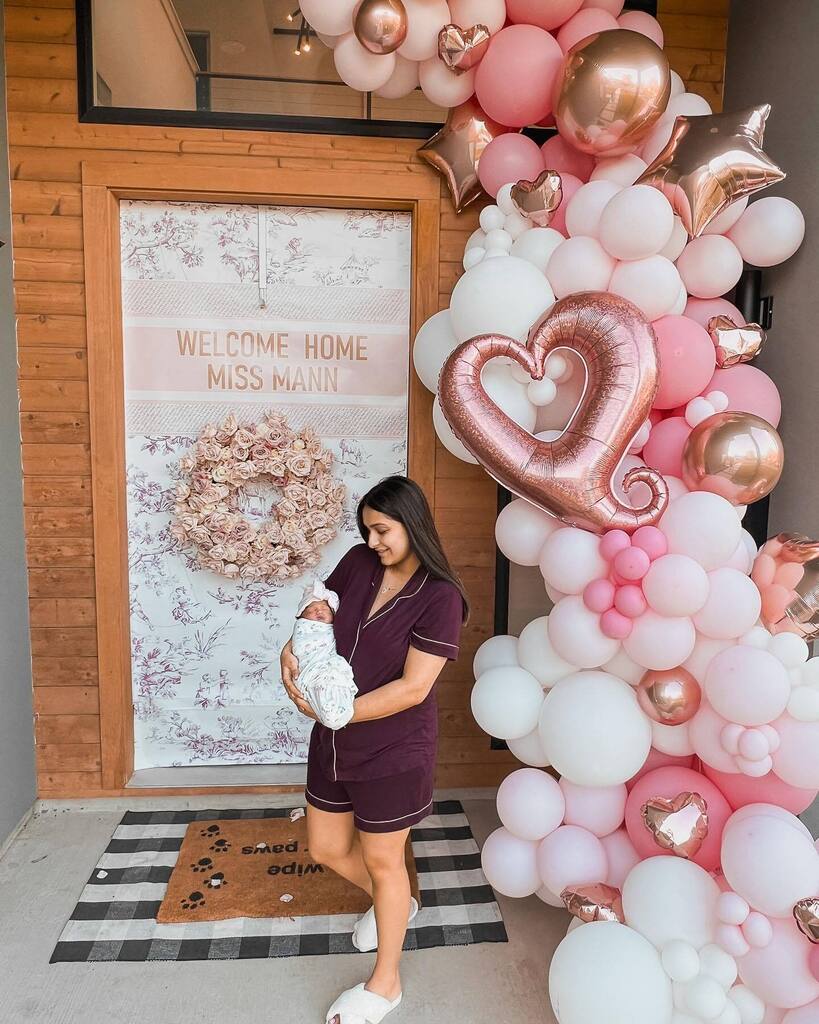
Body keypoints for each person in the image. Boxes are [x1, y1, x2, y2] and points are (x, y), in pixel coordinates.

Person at [280, 475, 468, 1024]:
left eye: (383, 530)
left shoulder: (440, 597)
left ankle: (386, 984)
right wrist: (290, 653)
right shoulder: (360, 563)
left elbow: (413, 688)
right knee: (325, 848)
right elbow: (316, 618)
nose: (373, 541)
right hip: (334, 743)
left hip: (394, 750)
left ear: (413, 524)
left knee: (385, 861)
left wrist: (337, 712)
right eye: (367, 530)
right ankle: (397, 906)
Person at [290, 580, 358, 730]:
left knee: (333, 679)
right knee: (322, 683)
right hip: (312, 664)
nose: (319, 611)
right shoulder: (304, 627)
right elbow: (301, 646)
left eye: (324, 608)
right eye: (312, 609)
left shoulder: (334, 628)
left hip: (327, 661)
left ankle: (334, 711)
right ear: (302, 615)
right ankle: (330, 710)